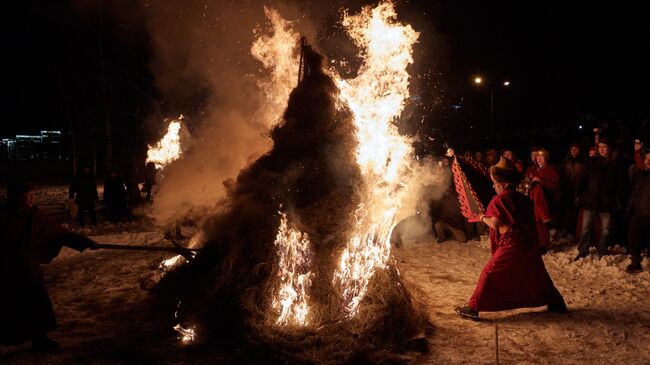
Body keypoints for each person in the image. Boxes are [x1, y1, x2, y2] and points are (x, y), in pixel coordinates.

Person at [455, 157, 567, 320]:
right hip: (528, 242)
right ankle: (556, 302)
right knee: (535, 273)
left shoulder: (500, 200)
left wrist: (481, 217)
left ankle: (474, 307)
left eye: (496, 183)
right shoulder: (524, 199)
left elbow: (495, 223)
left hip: (512, 244)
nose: (494, 186)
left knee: (489, 273)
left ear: (505, 183)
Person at [0, 182, 97, 352]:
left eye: (33, 195)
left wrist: (84, 242)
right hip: (6, 271)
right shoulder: (3, 216)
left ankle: (39, 339)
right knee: (7, 307)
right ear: (16, 197)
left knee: (36, 303)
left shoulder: (35, 216)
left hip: (29, 268)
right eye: (28, 195)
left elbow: (59, 233)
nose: (32, 198)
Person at [575, 138, 620, 260]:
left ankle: (602, 250)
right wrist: (578, 194)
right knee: (585, 228)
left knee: (606, 230)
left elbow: (617, 184)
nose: (601, 149)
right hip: (590, 200)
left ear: (609, 149)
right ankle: (582, 251)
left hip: (606, 202)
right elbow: (583, 179)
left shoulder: (614, 164)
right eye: (599, 147)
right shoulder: (591, 162)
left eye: (604, 147)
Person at [526, 148, 560, 251]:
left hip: (546, 199)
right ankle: (535, 242)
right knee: (534, 222)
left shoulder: (551, 169)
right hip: (532, 199)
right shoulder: (531, 169)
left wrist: (541, 181)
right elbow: (526, 181)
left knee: (542, 222)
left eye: (542, 157)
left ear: (546, 158)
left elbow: (555, 184)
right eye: (538, 157)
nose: (539, 159)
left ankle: (543, 245)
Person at [625, 151, 650, 273]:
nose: (648, 161)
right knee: (634, 238)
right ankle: (635, 263)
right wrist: (629, 208)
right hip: (638, 213)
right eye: (647, 159)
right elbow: (635, 193)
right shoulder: (641, 174)